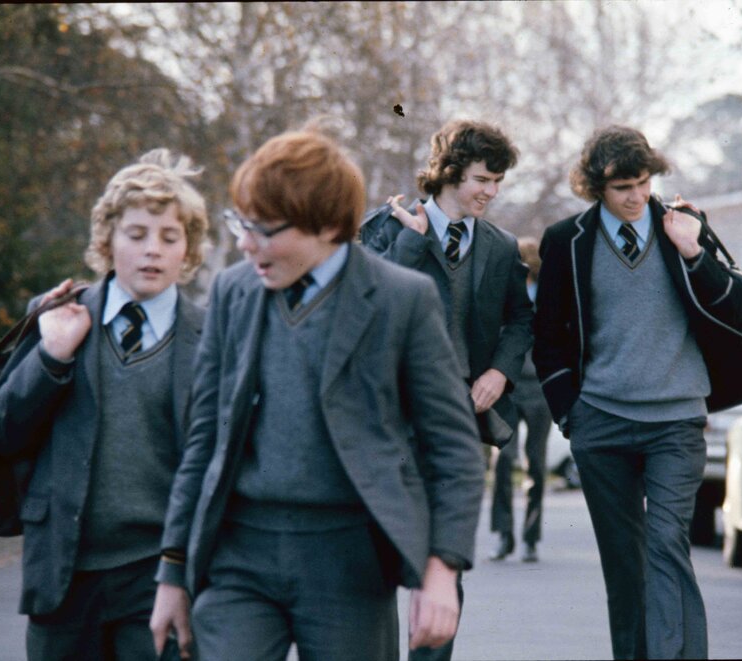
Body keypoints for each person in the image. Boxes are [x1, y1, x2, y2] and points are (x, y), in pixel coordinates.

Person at [148, 130, 485, 661]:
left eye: (263, 229)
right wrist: (172, 572)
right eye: (241, 224)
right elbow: (204, 440)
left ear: (327, 226)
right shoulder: (233, 292)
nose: (245, 244)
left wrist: (442, 568)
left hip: (349, 562)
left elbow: (454, 447)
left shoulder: (401, 300)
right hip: (239, 555)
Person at [533, 125, 742, 659]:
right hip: (600, 423)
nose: (636, 196)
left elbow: (734, 312)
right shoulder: (566, 241)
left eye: (643, 182)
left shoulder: (682, 227)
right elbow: (548, 336)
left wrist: (693, 251)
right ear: (596, 187)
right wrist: (570, 415)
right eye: (622, 187)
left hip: (676, 422)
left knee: (667, 544)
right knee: (624, 563)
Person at [0, 149, 210, 661]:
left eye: (169, 237)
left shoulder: (211, 336)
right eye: (136, 234)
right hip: (64, 573)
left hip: (162, 577)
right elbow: (1, 432)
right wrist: (51, 359)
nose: (152, 250)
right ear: (107, 240)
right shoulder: (58, 316)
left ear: (188, 248)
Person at [360, 118, 533, 661]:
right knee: (371, 564)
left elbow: (521, 320)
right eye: (482, 179)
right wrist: (412, 245)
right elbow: (364, 310)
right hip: (384, 422)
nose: (491, 192)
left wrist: (500, 371)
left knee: (444, 564)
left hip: (456, 424)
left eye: (498, 181)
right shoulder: (386, 227)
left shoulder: (501, 247)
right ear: (450, 172)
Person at [488, 236, 552, 563]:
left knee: (536, 465)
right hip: (507, 388)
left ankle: (530, 537)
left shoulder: (548, 296)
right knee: (503, 461)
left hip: (539, 389)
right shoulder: (502, 294)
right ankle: (504, 534)